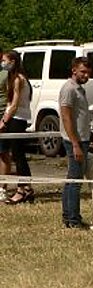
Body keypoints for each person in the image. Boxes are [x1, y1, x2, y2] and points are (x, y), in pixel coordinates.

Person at [59, 57, 93, 229]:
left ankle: (68, 215)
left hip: (83, 138)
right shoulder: (69, 89)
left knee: (73, 178)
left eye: (88, 72)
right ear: (73, 70)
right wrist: (75, 144)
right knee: (75, 181)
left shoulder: (80, 89)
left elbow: (80, 117)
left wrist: (91, 135)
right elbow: (66, 117)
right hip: (75, 141)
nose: (86, 75)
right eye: (82, 72)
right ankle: (73, 219)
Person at [0, 50, 34, 204]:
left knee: (19, 155)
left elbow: (14, 105)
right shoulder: (14, 78)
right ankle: (26, 188)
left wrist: (4, 121)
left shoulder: (18, 79)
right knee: (16, 154)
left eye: (5, 60)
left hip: (17, 119)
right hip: (15, 117)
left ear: (13, 62)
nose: (3, 63)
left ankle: (23, 189)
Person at [0, 48, 12, 202]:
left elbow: (12, 98)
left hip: (2, 115)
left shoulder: (6, 73)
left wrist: (4, 119)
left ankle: (2, 188)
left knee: (2, 153)